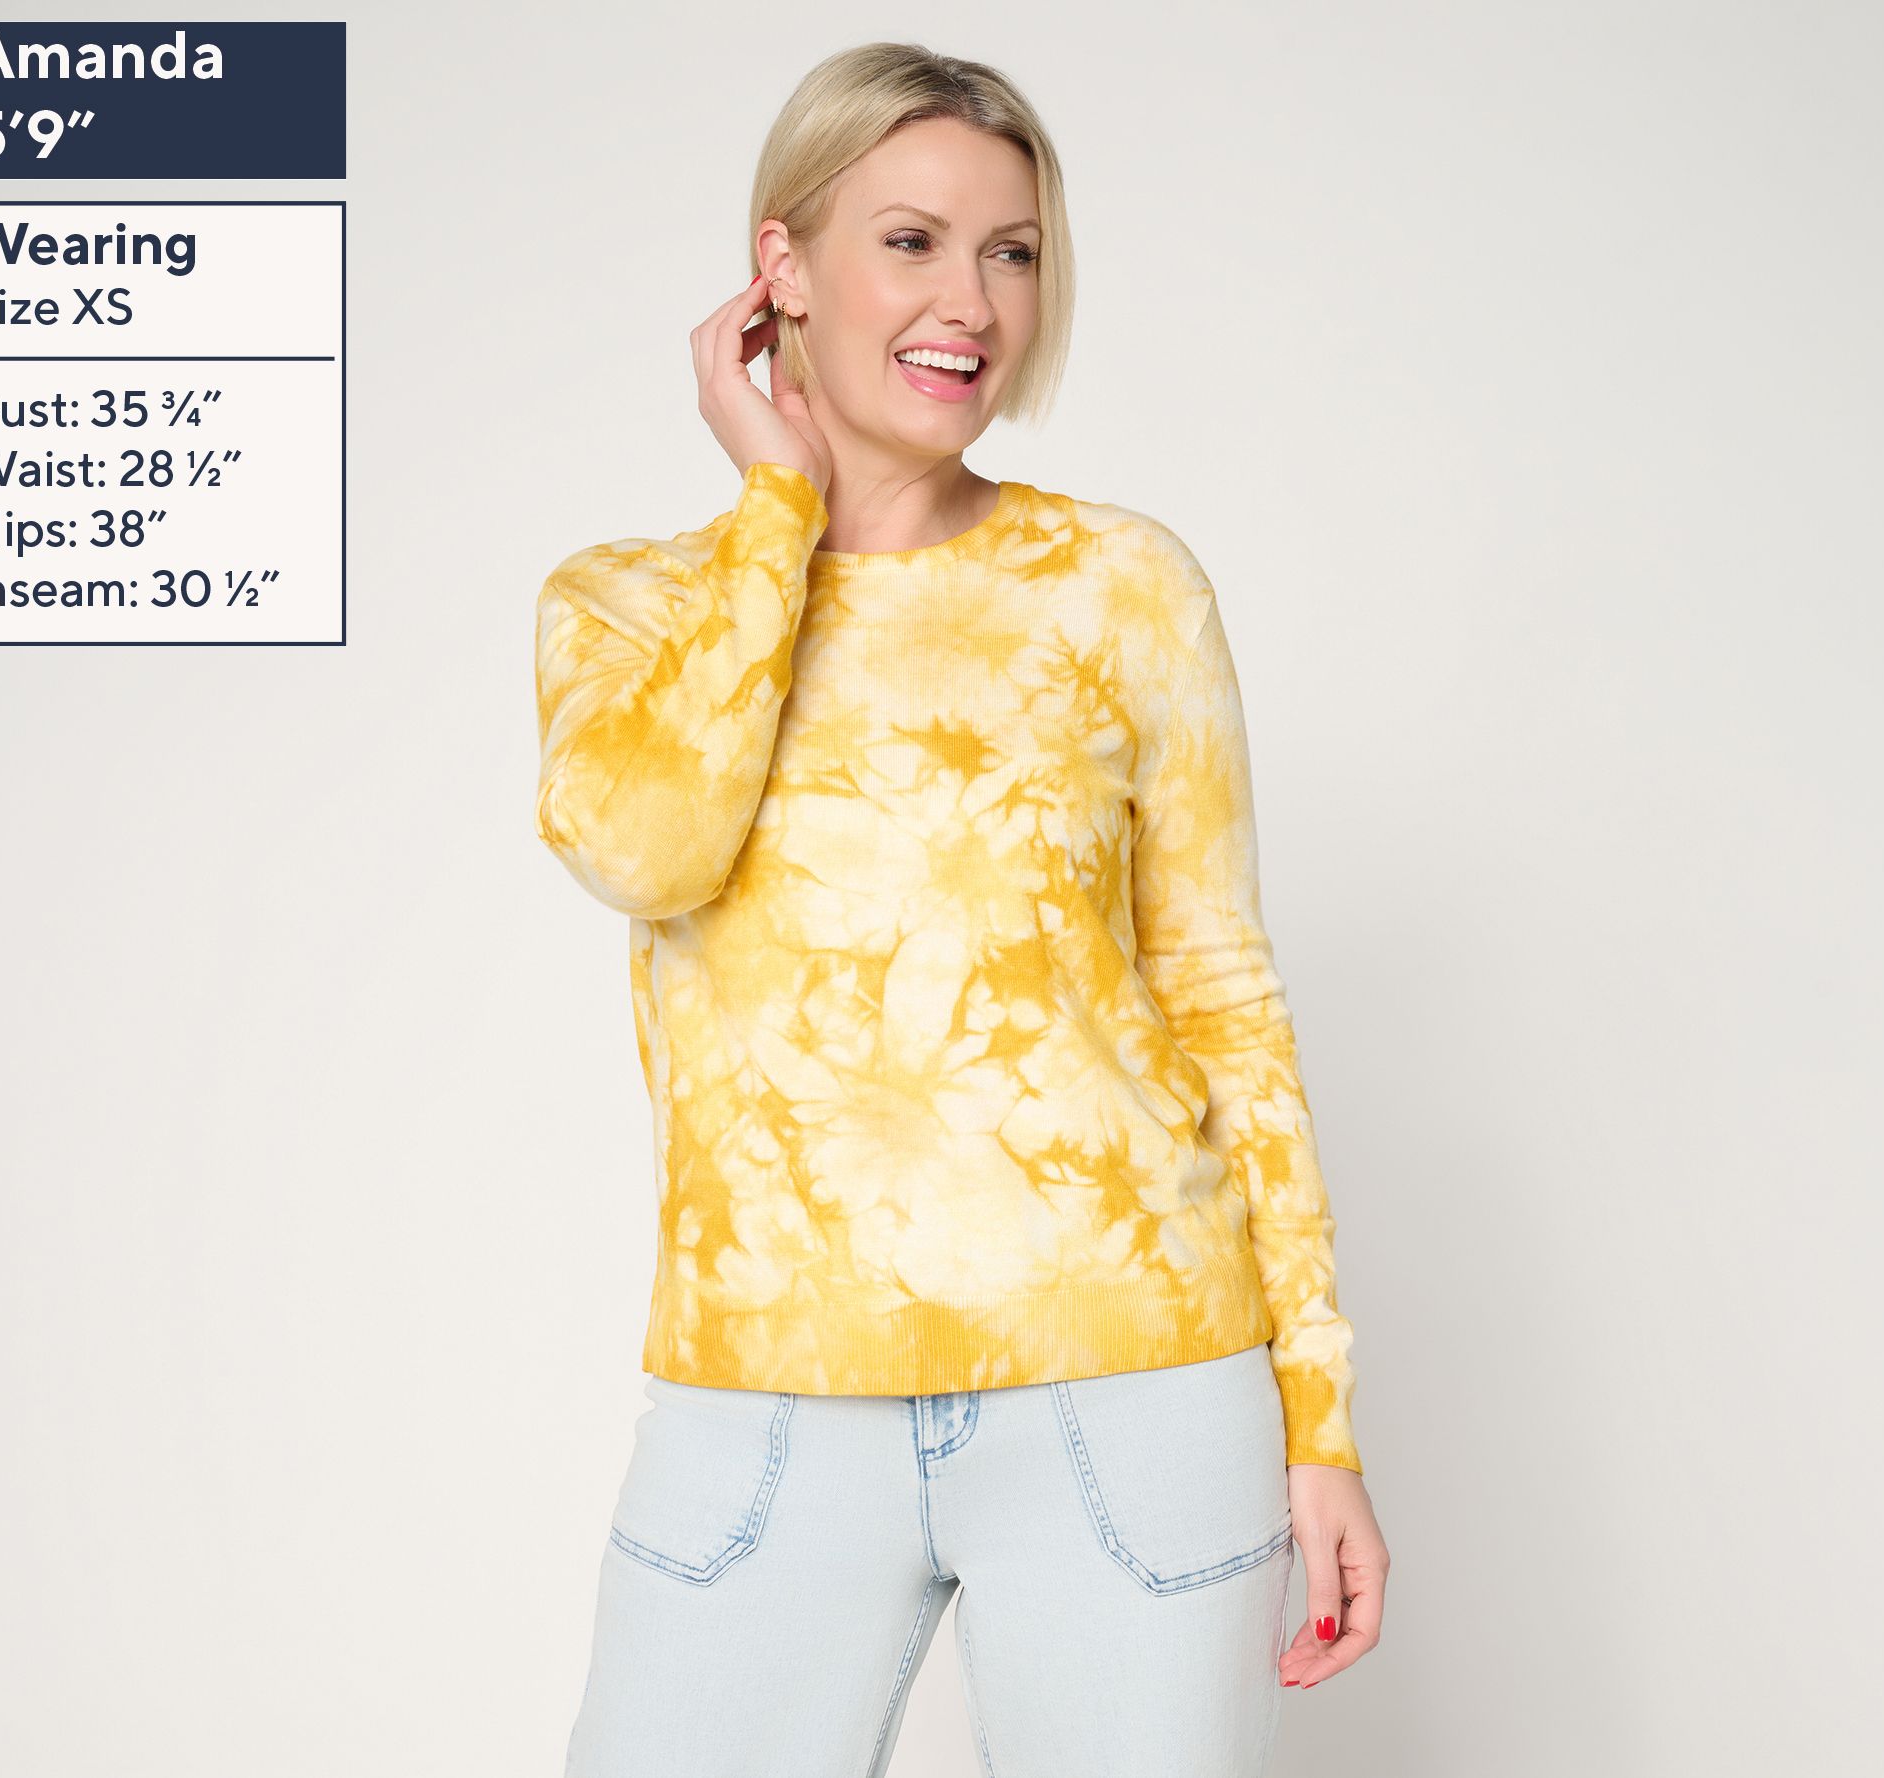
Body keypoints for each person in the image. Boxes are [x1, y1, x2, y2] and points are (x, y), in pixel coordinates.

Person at [533, 41, 1389, 1778]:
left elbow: (1222, 993)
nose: (972, 304)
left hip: (1131, 1387)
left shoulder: (1123, 585)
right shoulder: (628, 609)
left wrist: (1320, 1414)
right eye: (912, 242)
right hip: (764, 1396)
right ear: (781, 269)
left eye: (1011, 252)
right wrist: (779, 503)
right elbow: (649, 847)